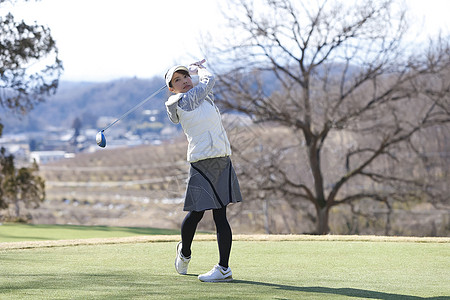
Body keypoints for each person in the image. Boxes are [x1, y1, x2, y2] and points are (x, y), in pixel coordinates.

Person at [164, 59, 242, 282]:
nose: (184, 81)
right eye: (177, 80)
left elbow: (207, 90)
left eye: (186, 76)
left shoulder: (201, 97)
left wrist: (194, 74)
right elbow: (210, 80)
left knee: (220, 215)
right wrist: (199, 69)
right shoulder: (185, 100)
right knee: (196, 214)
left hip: (221, 158)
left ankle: (224, 269)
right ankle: (185, 252)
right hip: (202, 161)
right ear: (172, 88)